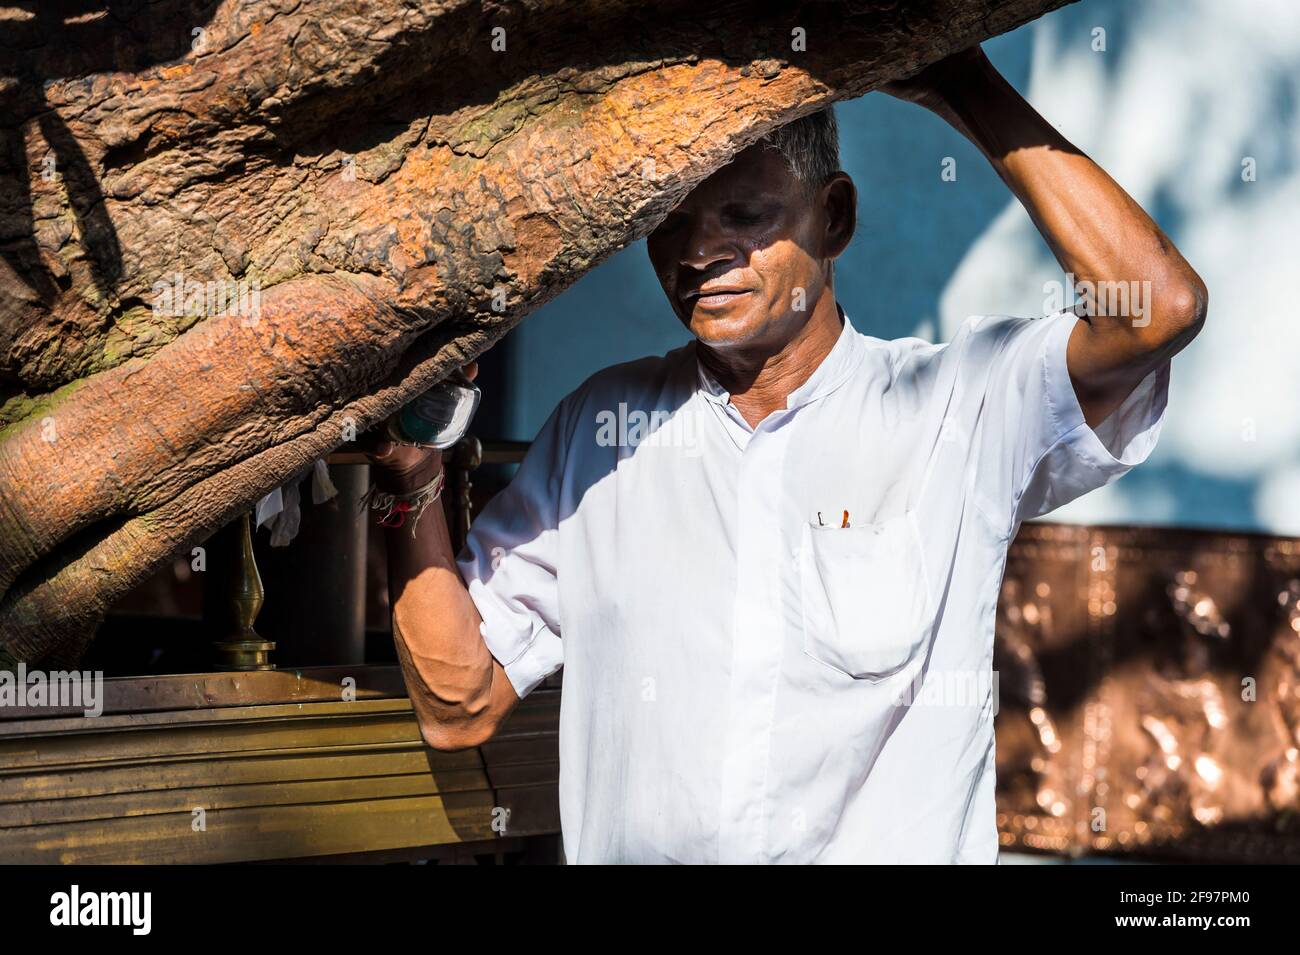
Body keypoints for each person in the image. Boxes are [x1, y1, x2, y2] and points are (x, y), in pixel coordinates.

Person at [363, 46, 1206, 863]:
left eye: (744, 216)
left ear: (833, 217)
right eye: (675, 222)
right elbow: (458, 703)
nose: (698, 254)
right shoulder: (600, 429)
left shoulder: (961, 407)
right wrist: (412, 475)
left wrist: (962, 84)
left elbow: (1158, 308)